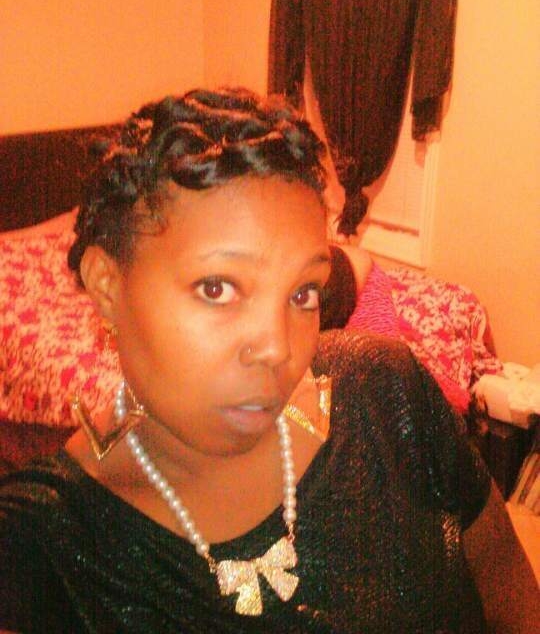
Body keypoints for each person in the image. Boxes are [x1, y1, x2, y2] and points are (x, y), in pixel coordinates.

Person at [0, 88, 537, 633]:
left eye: (303, 292)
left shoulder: (386, 394)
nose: (280, 348)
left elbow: (510, 593)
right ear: (106, 286)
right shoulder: (41, 545)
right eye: (217, 287)